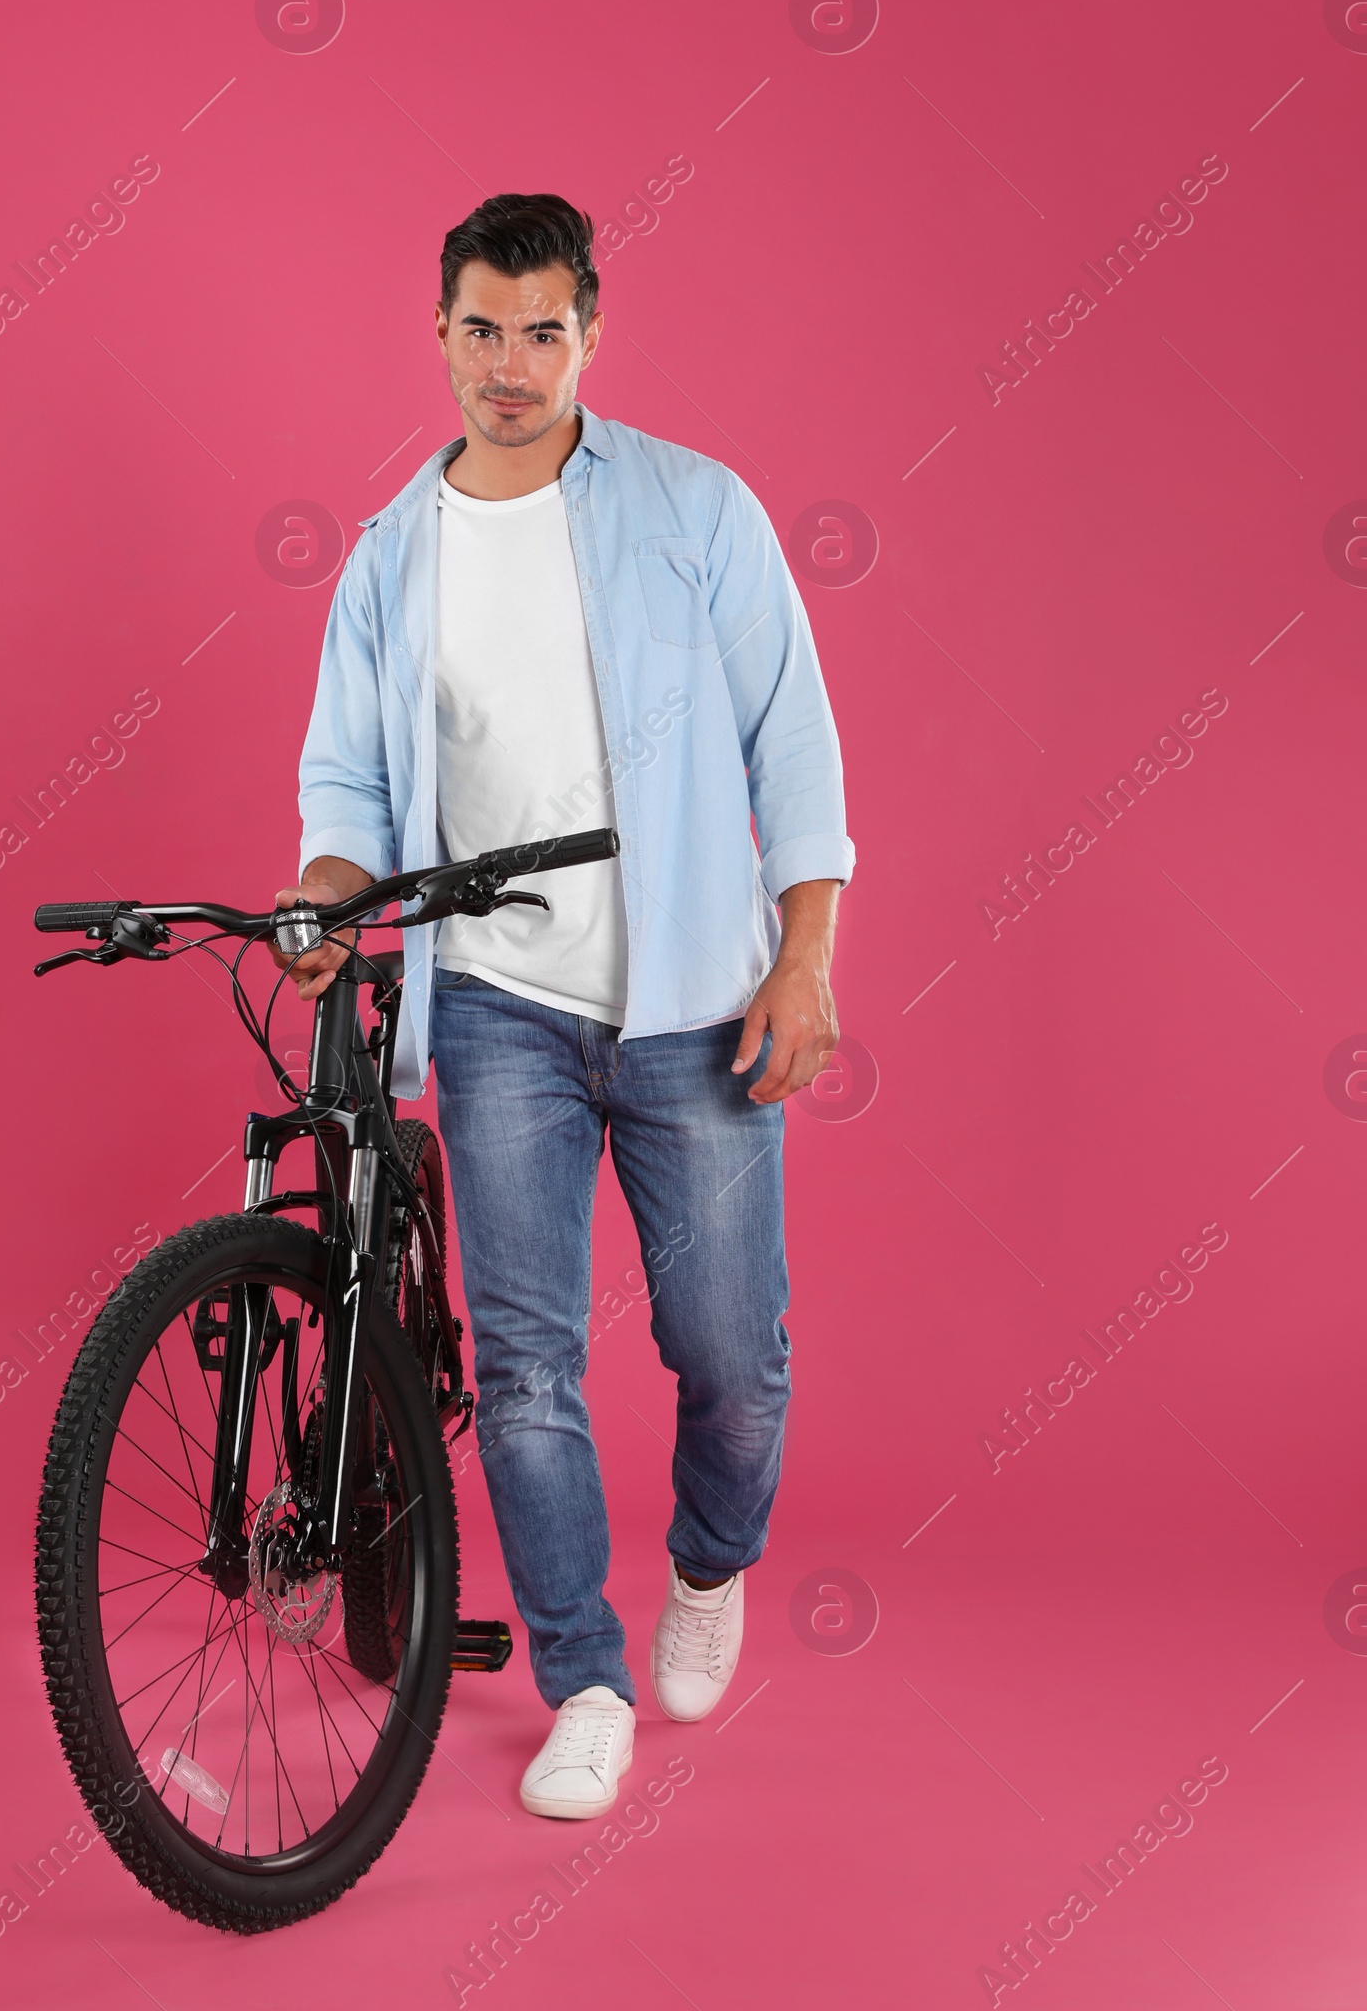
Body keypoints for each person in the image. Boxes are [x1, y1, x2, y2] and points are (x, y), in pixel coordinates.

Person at [273, 194, 854, 1819]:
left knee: (731, 1358)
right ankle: (580, 1674)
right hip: (503, 1015)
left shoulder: (693, 510)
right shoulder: (394, 553)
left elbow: (791, 745)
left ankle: (710, 1561)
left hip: (692, 1006)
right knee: (527, 1368)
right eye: (482, 329)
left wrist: (805, 955)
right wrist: (326, 902)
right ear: (439, 335)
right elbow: (348, 781)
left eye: (543, 330)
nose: (511, 363)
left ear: (591, 332)